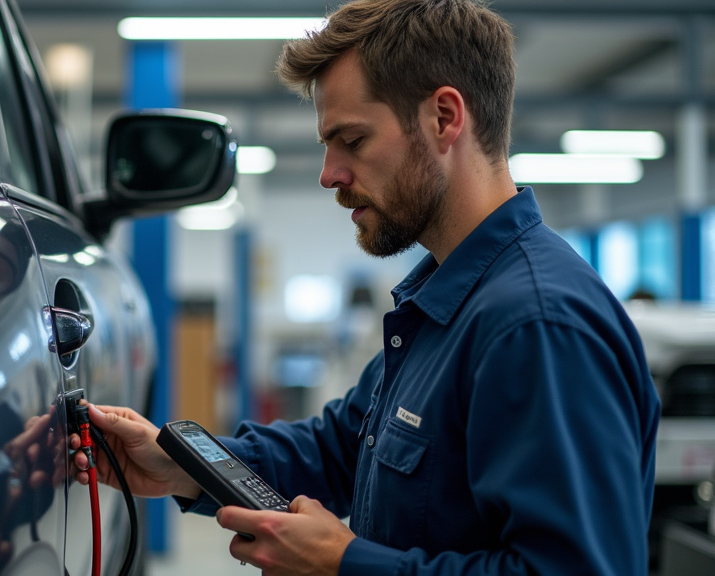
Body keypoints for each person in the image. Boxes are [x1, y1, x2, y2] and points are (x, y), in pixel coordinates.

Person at [60, 1, 661, 574]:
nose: (330, 175)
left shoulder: (535, 325)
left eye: (352, 141)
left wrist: (344, 563)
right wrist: (179, 466)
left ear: (445, 118)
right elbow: (341, 450)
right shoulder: (441, 302)